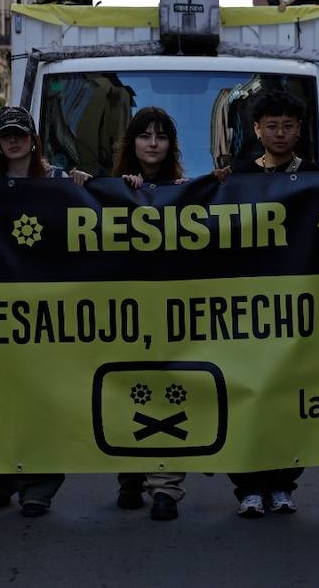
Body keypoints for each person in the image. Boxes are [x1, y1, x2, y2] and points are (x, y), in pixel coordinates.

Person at [0, 106, 89, 517]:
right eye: (6, 135)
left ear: (33, 138)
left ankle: (39, 486)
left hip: (48, 311)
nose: (13, 141)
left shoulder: (59, 181)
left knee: (44, 398)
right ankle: (0, 477)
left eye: (20, 134)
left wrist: (86, 186)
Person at [217, 90, 319, 516]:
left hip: (296, 309)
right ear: (257, 130)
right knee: (247, 396)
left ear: (299, 130)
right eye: (272, 126)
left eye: (289, 126)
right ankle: (247, 487)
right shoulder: (238, 177)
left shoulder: (316, 176)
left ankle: (283, 483)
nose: (280, 133)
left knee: (287, 397)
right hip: (248, 308)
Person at [110, 107, 188, 521]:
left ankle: (166, 487)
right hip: (126, 314)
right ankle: (130, 474)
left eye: (160, 136)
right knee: (127, 388)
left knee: (174, 389)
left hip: (171, 313)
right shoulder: (112, 188)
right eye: (145, 136)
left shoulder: (184, 189)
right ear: (132, 142)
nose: (152, 143)